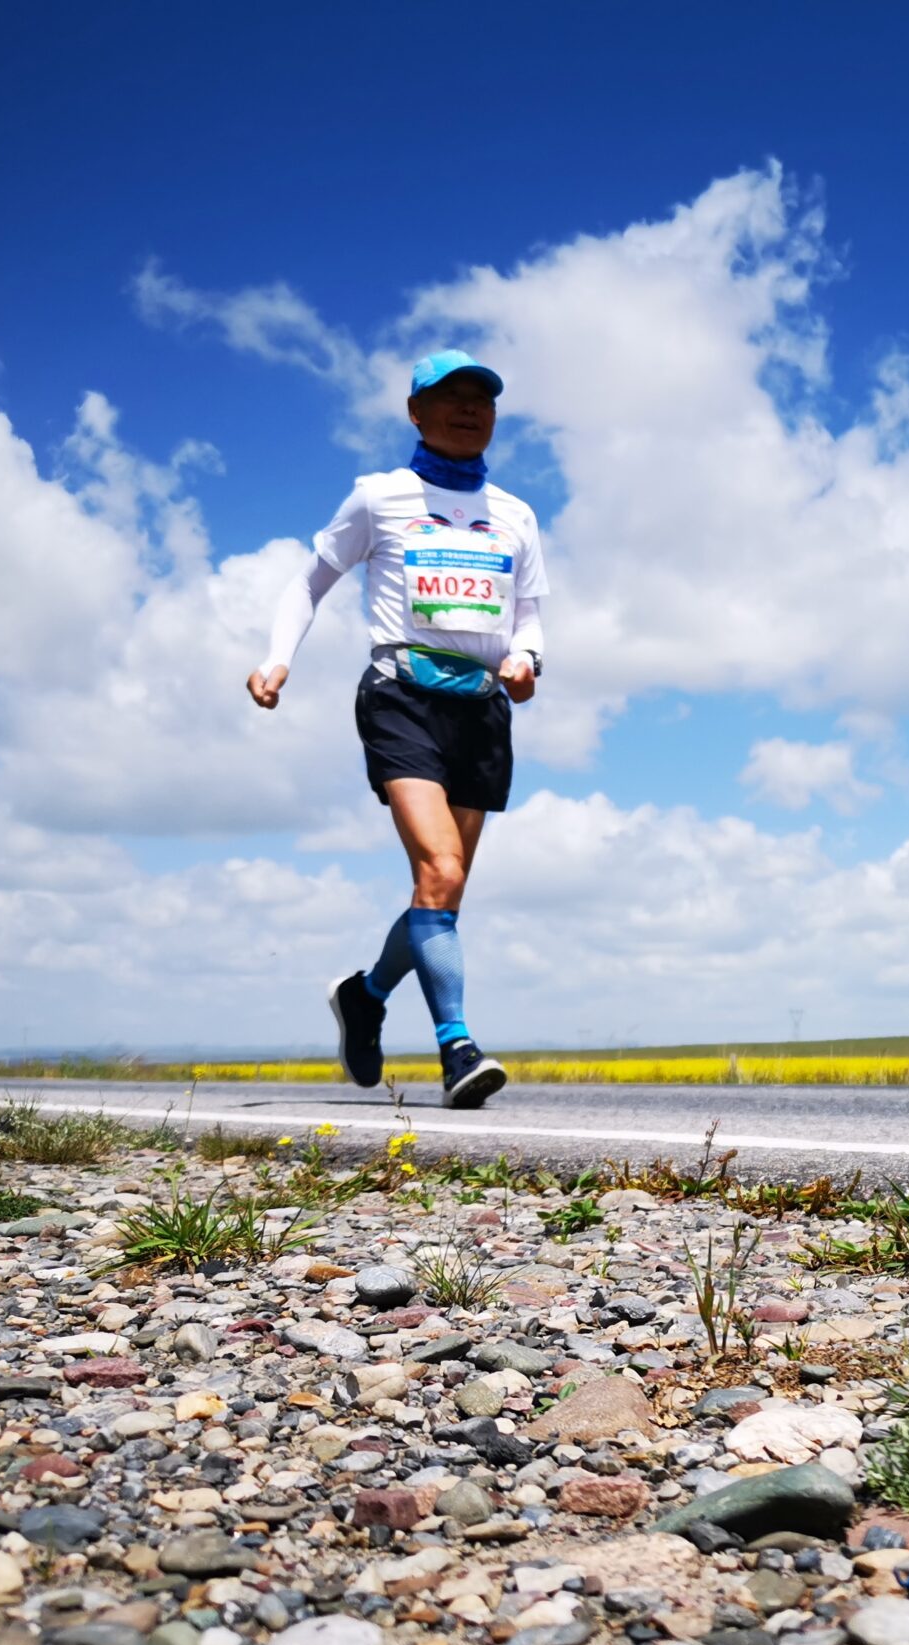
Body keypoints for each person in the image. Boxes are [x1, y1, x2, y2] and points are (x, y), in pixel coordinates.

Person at [246, 349, 548, 1109]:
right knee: (441, 872)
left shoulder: (515, 514)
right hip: (400, 696)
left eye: (481, 398)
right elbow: (310, 580)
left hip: (481, 710)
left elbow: (531, 613)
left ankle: (367, 995)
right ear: (416, 412)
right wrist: (277, 659)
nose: (467, 409)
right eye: (449, 397)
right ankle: (458, 1051)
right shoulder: (380, 498)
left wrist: (525, 658)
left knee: (438, 894)